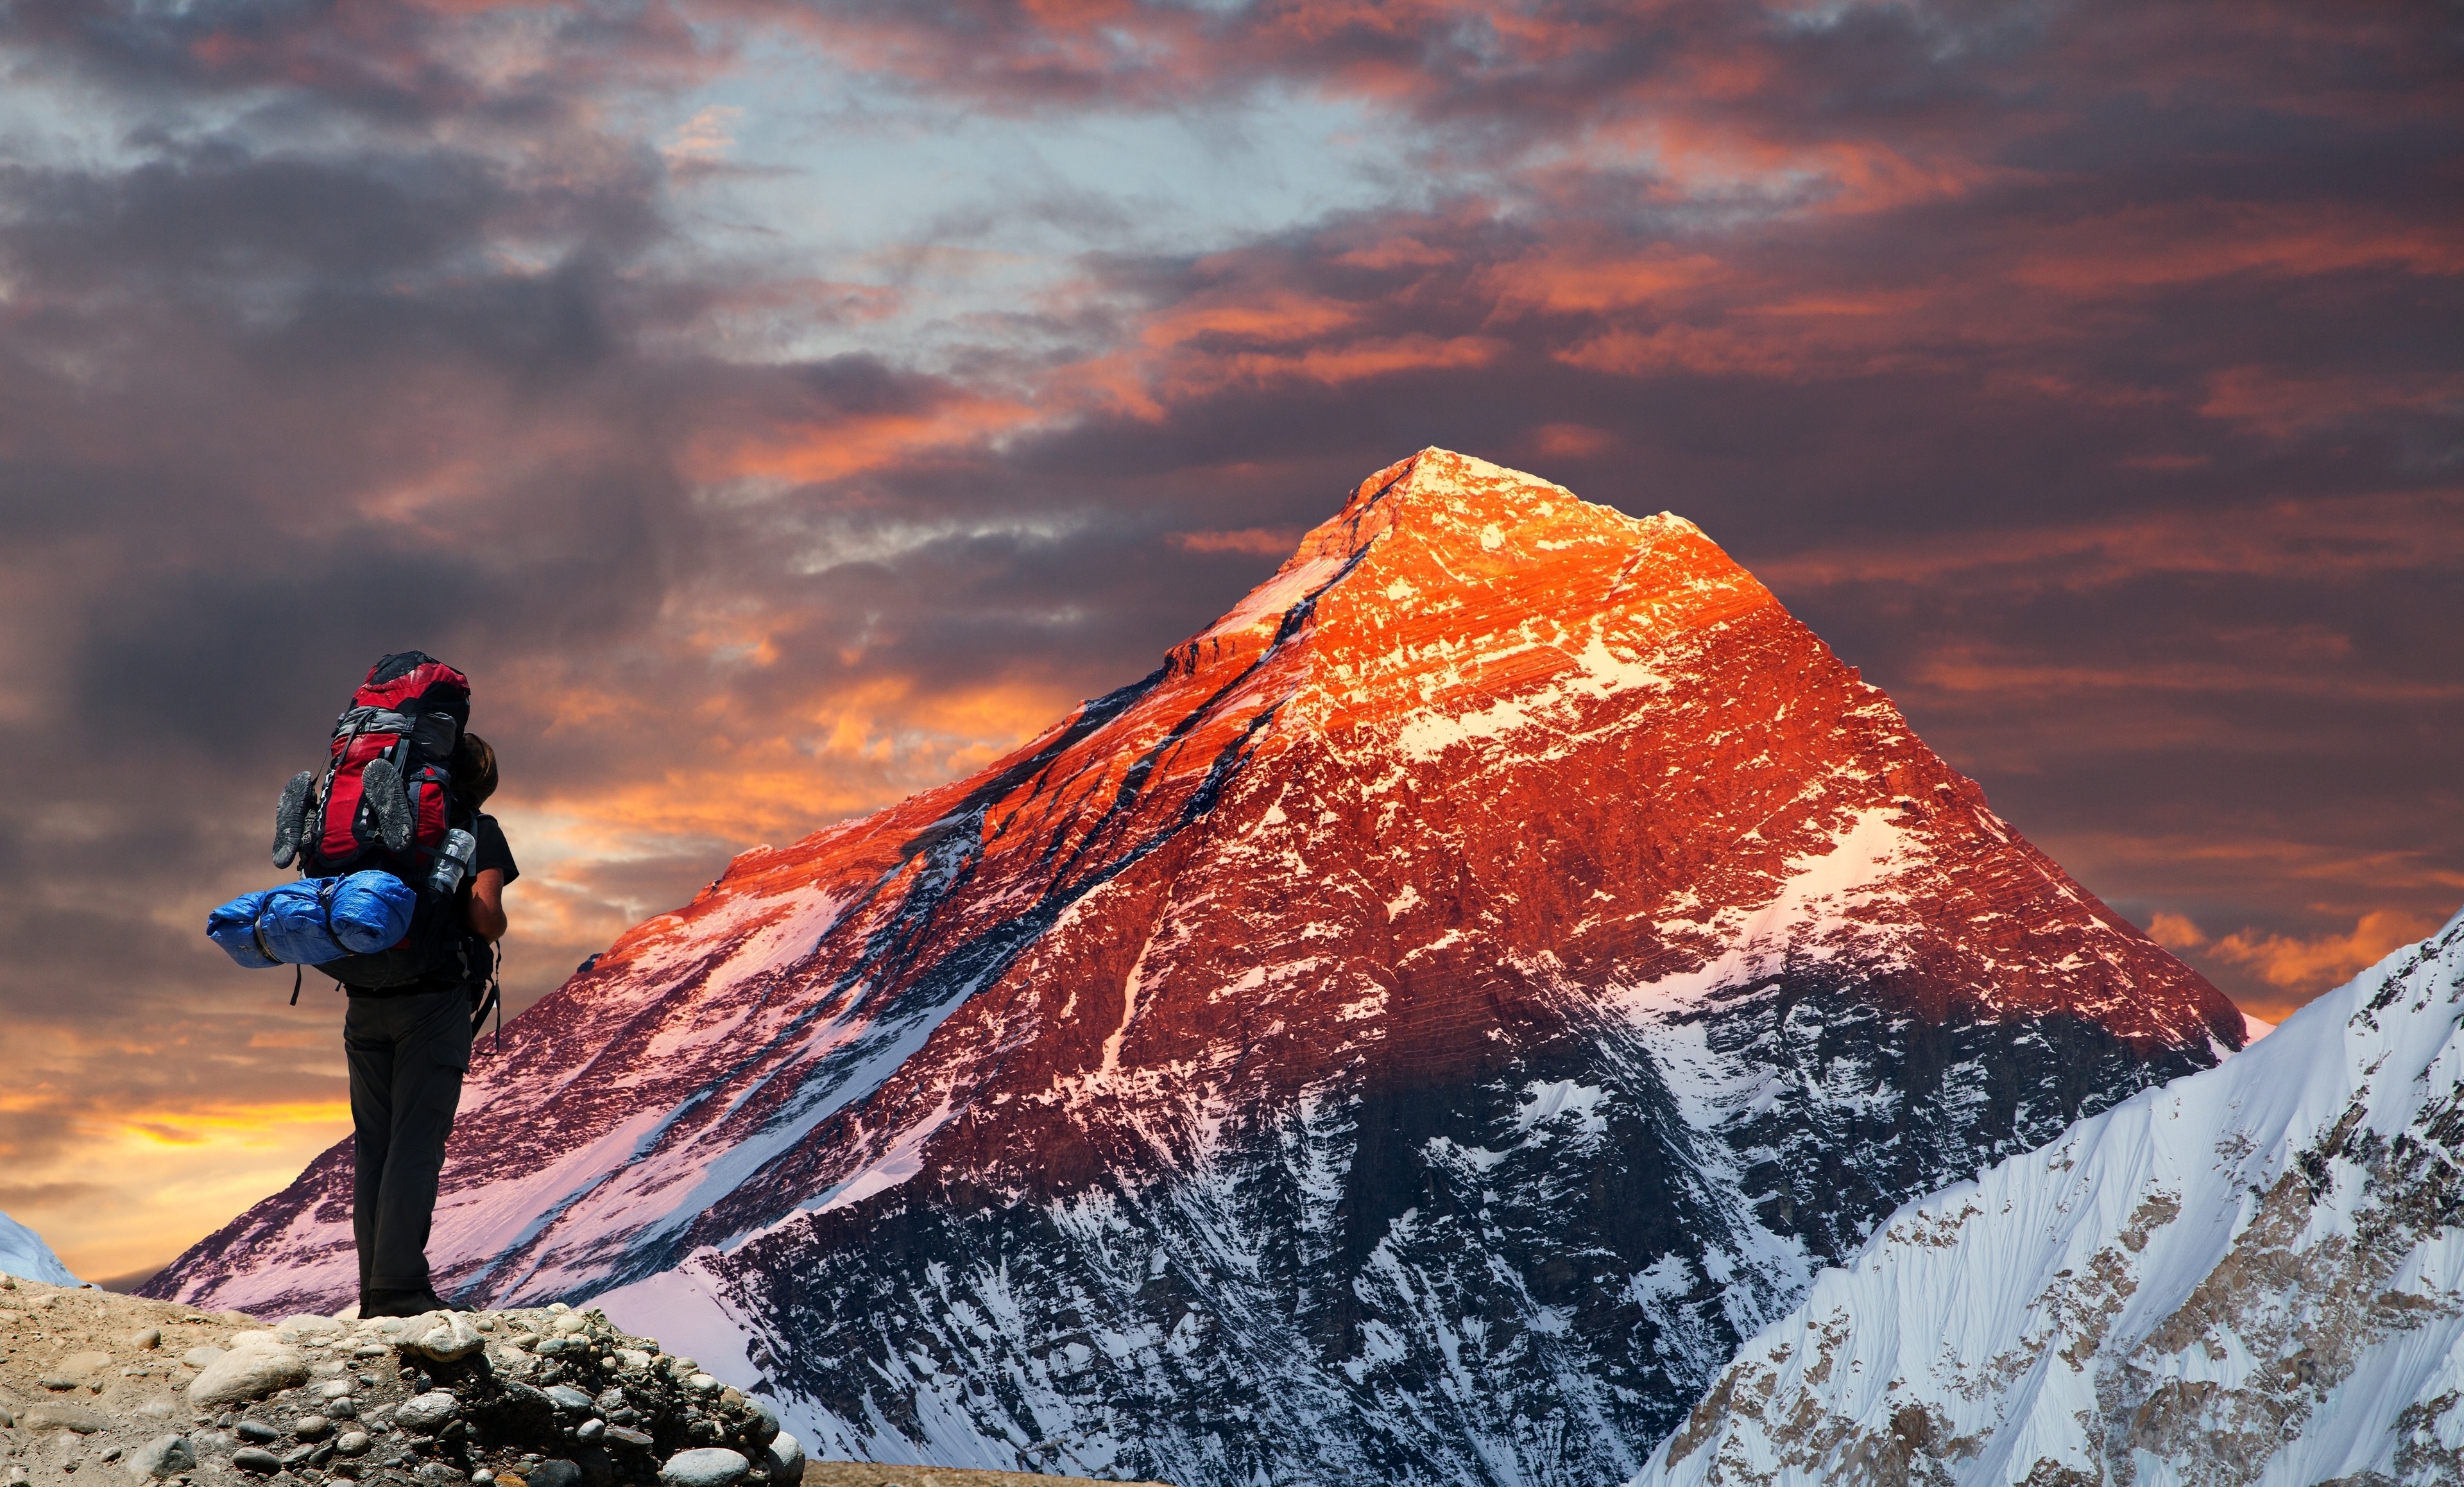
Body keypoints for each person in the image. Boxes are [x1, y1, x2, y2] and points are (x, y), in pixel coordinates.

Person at [343, 730, 518, 1318]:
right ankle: (399, 1289)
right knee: (416, 1143)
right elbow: (484, 916)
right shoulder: (476, 826)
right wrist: (495, 926)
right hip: (433, 1002)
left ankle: (375, 1292)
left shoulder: (376, 823)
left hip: (365, 994)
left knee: (375, 1144)